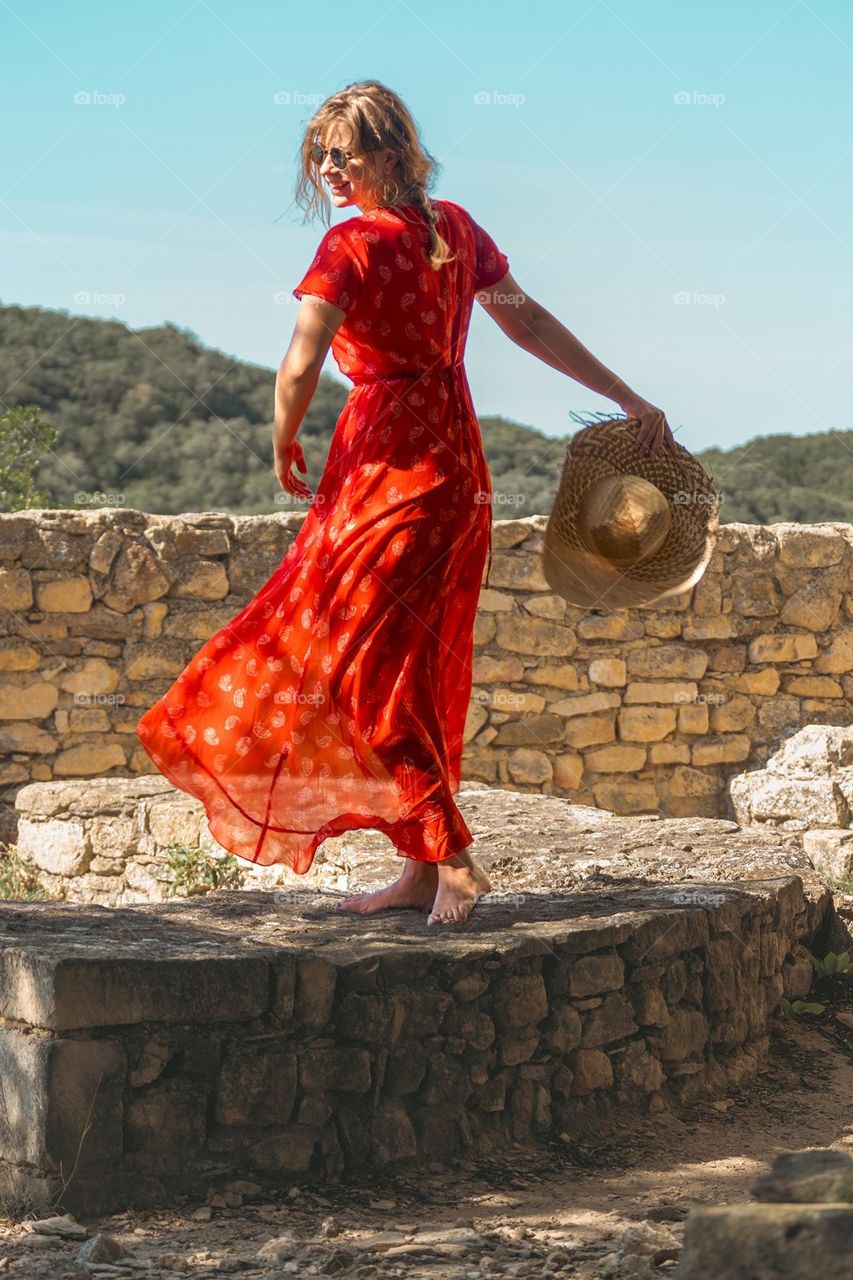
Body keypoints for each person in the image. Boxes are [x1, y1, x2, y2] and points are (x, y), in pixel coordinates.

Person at [136, 78, 675, 927]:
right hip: (456, 472)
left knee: (359, 672)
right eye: (317, 157)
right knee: (415, 672)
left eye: (341, 156)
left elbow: (300, 361)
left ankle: (451, 859)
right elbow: (524, 322)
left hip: (387, 471)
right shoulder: (454, 232)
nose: (326, 171)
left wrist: (282, 439)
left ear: (390, 155)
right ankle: (419, 866)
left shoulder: (350, 249)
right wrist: (627, 398)